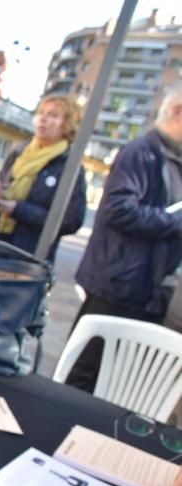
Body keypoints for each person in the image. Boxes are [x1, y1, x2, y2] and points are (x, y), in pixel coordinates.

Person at [65, 83, 182, 393]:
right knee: (84, 373)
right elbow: (119, 211)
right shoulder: (141, 154)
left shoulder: (170, 159)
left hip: (147, 290)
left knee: (119, 382)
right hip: (118, 285)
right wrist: (175, 221)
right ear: (177, 112)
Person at [0, 93, 86, 261]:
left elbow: (72, 220)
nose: (43, 119)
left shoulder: (69, 166)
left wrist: (19, 210)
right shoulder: (21, 151)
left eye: (52, 115)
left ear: (67, 125)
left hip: (28, 255)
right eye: (41, 113)